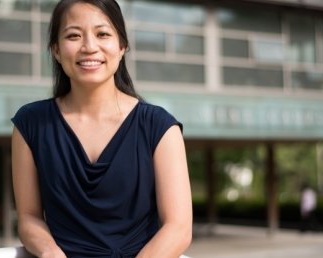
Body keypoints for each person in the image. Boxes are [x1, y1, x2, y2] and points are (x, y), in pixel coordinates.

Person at [10, 0, 192, 257]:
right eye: (73, 35)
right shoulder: (31, 123)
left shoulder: (159, 126)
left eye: (102, 34)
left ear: (122, 47)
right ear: (56, 50)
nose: (89, 47)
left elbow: (179, 228)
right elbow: (28, 217)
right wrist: (51, 253)